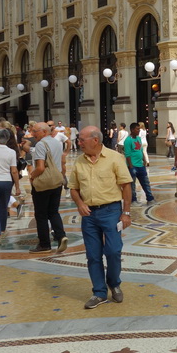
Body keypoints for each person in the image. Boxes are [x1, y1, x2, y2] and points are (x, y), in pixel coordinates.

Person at [69, 126, 133, 310]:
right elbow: (73, 187)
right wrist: (80, 203)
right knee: (93, 255)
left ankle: (114, 282)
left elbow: (126, 186)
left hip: (111, 211)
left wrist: (126, 212)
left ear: (95, 140)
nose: (78, 143)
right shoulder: (79, 161)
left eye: (82, 139)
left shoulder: (115, 158)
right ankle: (99, 292)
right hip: (89, 214)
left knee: (113, 251)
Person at [28, 122, 68, 253]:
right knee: (53, 211)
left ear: (44, 132)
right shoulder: (57, 142)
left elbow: (40, 167)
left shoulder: (41, 144)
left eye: (35, 131)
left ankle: (44, 244)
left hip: (44, 183)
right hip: (56, 181)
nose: (33, 134)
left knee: (41, 214)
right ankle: (61, 236)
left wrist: (32, 176)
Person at [124, 122, 155, 204]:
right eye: (137, 129)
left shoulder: (138, 138)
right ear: (132, 130)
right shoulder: (128, 140)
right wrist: (131, 167)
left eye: (139, 129)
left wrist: (144, 159)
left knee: (145, 182)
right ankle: (133, 200)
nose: (139, 130)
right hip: (133, 166)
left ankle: (150, 198)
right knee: (132, 185)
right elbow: (127, 154)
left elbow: (141, 150)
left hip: (140, 165)